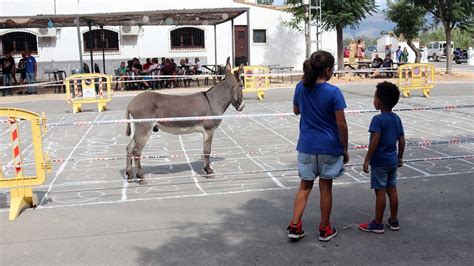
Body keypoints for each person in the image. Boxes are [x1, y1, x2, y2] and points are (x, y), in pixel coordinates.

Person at [287, 50, 349, 242]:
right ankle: (324, 228)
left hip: (306, 146)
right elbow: (341, 124)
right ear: (328, 70)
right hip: (329, 146)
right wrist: (344, 148)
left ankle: (295, 225)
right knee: (325, 188)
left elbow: (296, 110)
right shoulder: (333, 92)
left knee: (304, 186)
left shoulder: (300, 86)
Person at [359, 81, 405, 234]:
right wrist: (400, 157)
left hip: (379, 161)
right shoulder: (396, 118)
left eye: (374, 96)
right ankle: (393, 220)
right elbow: (402, 140)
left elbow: (375, 141)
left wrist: (367, 159)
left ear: (379, 101)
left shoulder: (377, 120)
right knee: (392, 190)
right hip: (392, 160)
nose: (373, 99)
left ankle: (377, 223)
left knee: (380, 192)